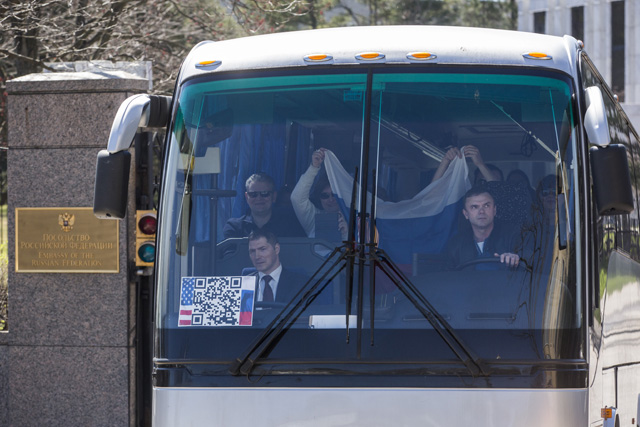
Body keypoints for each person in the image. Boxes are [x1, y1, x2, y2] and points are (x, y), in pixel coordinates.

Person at [432, 145, 531, 226]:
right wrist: (445, 161)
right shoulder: (465, 203)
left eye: (492, 182)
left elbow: (499, 191)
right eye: (482, 182)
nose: (488, 187)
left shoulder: (509, 211)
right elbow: (432, 198)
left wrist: (481, 164)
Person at [445, 187, 524, 269]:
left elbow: (532, 259)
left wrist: (516, 258)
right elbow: (447, 275)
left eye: (486, 206)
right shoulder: (456, 244)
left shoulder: (514, 235)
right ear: (466, 214)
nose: (481, 211)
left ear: (494, 210)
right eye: (474, 207)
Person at [223, 172, 305, 239]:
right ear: (246, 197)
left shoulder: (290, 226)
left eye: (264, 194)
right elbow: (229, 257)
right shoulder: (234, 227)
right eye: (253, 194)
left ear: (274, 196)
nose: (259, 198)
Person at [290, 148, 348, 241]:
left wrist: (346, 234)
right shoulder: (313, 219)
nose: (330, 200)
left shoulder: (353, 219)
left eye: (334, 195)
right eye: (325, 195)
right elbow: (297, 198)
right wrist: (314, 167)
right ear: (319, 198)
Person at [247, 229, 308, 303]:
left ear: (276, 249)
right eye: (252, 251)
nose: (257, 256)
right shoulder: (244, 284)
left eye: (262, 249)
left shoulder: (301, 284)